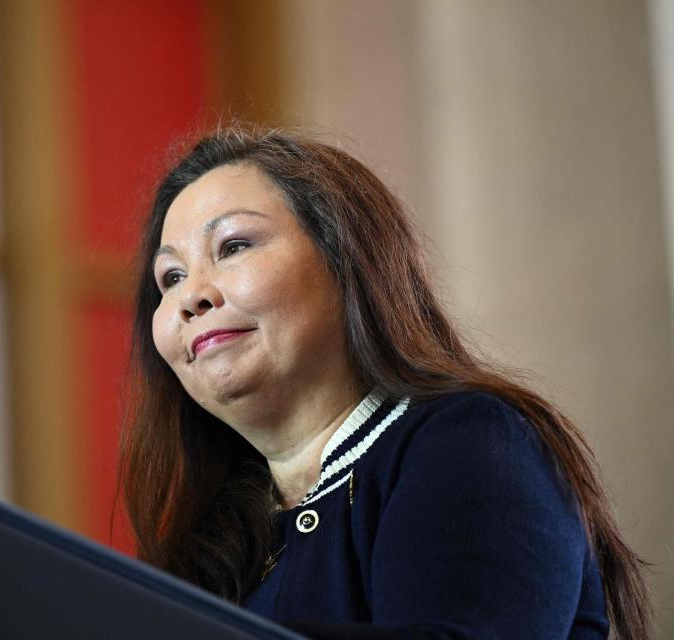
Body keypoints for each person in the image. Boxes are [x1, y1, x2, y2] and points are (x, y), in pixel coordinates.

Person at [117, 124, 654, 639]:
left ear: (348, 257)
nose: (191, 297)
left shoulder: (473, 441)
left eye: (233, 246)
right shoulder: (210, 541)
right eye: (171, 278)